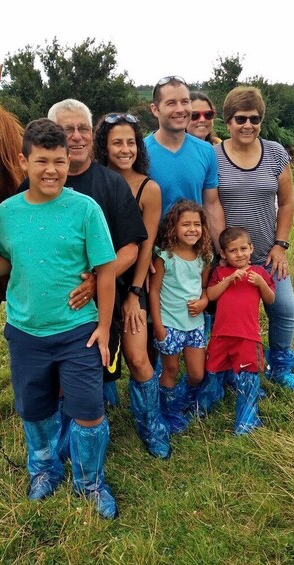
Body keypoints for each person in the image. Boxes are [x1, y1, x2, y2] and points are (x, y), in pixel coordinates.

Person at [0, 118, 119, 519]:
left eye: (60, 161)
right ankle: (43, 470)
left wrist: (102, 328)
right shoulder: (8, 214)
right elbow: (4, 261)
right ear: (22, 161)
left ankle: (90, 481)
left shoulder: (86, 209)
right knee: (35, 410)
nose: (52, 170)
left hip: (78, 330)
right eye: (42, 160)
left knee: (89, 411)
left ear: (69, 162)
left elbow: (107, 270)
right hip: (26, 333)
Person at [0, 99, 148, 410]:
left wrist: (97, 280)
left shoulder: (111, 183)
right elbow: (21, 236)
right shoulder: (29, 187)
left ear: (93, 135)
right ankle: (70, 420)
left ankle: (149, 422)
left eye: (84, 129)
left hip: (113, 288)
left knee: (136, 356)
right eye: (68, 129)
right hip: (60, 305)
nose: (77, 136)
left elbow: (131, 248)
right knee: (67, 382)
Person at [215, 86, 294, 391]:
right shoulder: (213, 157)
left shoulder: (276, 154)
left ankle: (280, 367)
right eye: (240, 118)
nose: (248, 125)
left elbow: (286, 203)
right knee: (232, 317)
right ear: (228, 121)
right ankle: (229, 368)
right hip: (227, 258)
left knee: (284, 308)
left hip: (267, 255)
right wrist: (219, 251)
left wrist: (280, 246)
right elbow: (209, 203)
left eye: (254, 119)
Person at [93, 112, 170, 458]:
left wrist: (134, 293)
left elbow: (146, 245)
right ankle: (95, 416)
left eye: (130, 142)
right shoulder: (92, 182)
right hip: (93, 283)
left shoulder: (148, 188)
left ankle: (151, 424)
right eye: (116, 143)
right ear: (104, 148)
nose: (125, 149)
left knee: (139, 357)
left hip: (130, 281)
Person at [148, 199, 212, 433]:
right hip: (169, 324)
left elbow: (204, 288)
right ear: (173, 227)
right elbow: (153, 291)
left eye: (197, 224)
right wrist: (158, 326)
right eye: (186, 224)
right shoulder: (165, 256)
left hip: (194, 325)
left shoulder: (204, 257)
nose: (192, 229)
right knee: (171, 370)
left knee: (197, 373)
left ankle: (182, 400)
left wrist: (204, 301)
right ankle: (167, 410)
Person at [205, 227, 276, 434]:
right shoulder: (219, 273)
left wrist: (261, 283)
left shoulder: (259, 273)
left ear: (251, 248)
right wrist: (227, 280)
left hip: (247, 336)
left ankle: (246, 419)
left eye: (243, 249)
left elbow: (271, 299)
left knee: (249, 376)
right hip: (220, 334)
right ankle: (205, 405)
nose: (239, 254)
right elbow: (210, 295)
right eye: (233, 251)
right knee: (212, 370)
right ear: (223, 254)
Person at [144, 76, 225, 252]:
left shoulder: (206, 151)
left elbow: (211, 204)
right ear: (155, 109)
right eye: (171, 103)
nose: (180, 109)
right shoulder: (140, 152)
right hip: (155, 255)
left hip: (195, 254)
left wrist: (222, 251)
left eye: (185, 102)